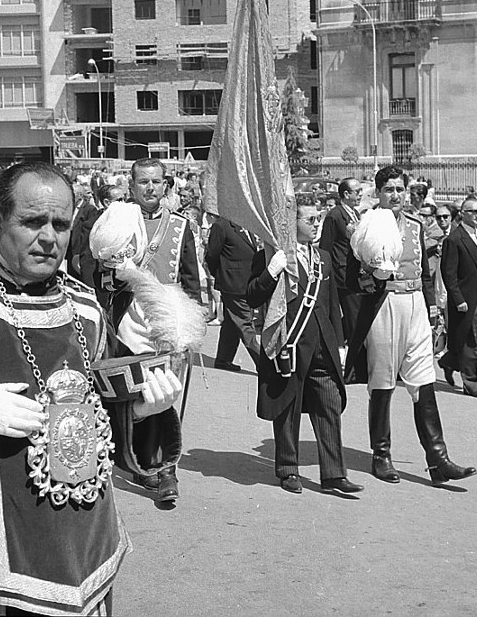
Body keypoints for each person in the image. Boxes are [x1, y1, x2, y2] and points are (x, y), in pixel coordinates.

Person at [0, 162, 181, 614]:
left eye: (61, 224)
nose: (49, 236)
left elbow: (101, 416)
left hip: (81, 535)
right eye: (32, 221)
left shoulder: (86, 305)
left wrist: (141, 413)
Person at [346, 165, 477, 486]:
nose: (395, 195)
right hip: (384, 305)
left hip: (416, 303)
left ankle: (438, 459)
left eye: (399, 189)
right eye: (389, 189)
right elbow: (352, 276)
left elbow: (427, 273)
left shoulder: (418, 225)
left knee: (423, 379)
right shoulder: (367, 225)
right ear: (378, 193)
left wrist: (433, 307)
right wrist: (371, 277)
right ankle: (381, 455)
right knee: (383, 380)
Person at [93, 157, 200, 504]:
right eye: (143, 182)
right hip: (129, 315)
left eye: (156, 182)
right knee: (136, 392)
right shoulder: (118, 222)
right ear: (132, 185)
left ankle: (166, 469)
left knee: (166, 391)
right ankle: (138, 461)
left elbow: (190, 277)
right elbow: (98, 274)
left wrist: (192, 323)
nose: (150, 188)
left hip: (168, 317)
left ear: (166, 184)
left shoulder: (181, 225)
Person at [246, 203, 363, 496]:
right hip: (290, 343)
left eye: (318, 219)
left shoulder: (322, 258)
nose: (316, 224)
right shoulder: (270, 256)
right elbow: (252, 296)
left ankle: (334, 474)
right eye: (310, 220)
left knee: (329, 406)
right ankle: (288, 469)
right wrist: (271, 272)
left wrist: (340, 344)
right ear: (292, 222)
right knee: (288, 406)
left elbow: (332, 304)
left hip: (322, 345)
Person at [439, 196, 477, 398]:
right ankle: (471, 382)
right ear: (462, 214)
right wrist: (458, 299)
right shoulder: (454, 239)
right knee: (469, 340)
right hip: (465, 297)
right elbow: (449, 273)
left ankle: (450, 360)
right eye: (473, 212)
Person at [205, 215, 261, 370]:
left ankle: (223, 359)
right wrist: (222, 274)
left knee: (231, 322)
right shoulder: (222, 225)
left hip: (245, 282)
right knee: (245, 324)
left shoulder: (246, 222)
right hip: (232, 284)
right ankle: (264, 364)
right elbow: (211, 255)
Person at [318, 177, 362, 341]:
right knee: (351, 316)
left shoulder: (355, 213)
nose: (360, 195)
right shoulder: (335, 215)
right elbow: (325, 248)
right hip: (341, 274)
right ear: (346, 194)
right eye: (357, 192)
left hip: (355, 272)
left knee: (355, 316)